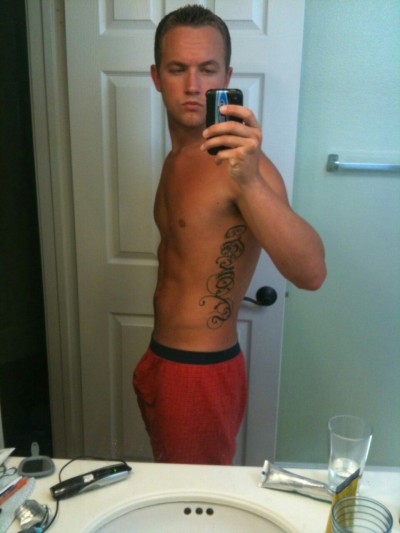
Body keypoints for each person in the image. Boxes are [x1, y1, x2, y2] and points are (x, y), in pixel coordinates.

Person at [133, 5, 326, 465]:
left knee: (191, 500)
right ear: (157, 77)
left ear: (227, 77)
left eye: (207, 69)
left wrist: (249, 181)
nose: (193, 85)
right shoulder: (178, 157)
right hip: (160, 359)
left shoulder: (240, 167)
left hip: (198, 373)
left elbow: (312, 272)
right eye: (177, 69)